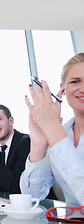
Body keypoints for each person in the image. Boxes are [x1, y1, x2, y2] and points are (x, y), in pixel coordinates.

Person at [20, 52, 84, 206]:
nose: (82, 88)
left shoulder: (57, 134)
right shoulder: (63, 133)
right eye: (75, 81)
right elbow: (31, 195)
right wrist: (39, 145)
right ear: (62, 89)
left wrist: (53, 131)